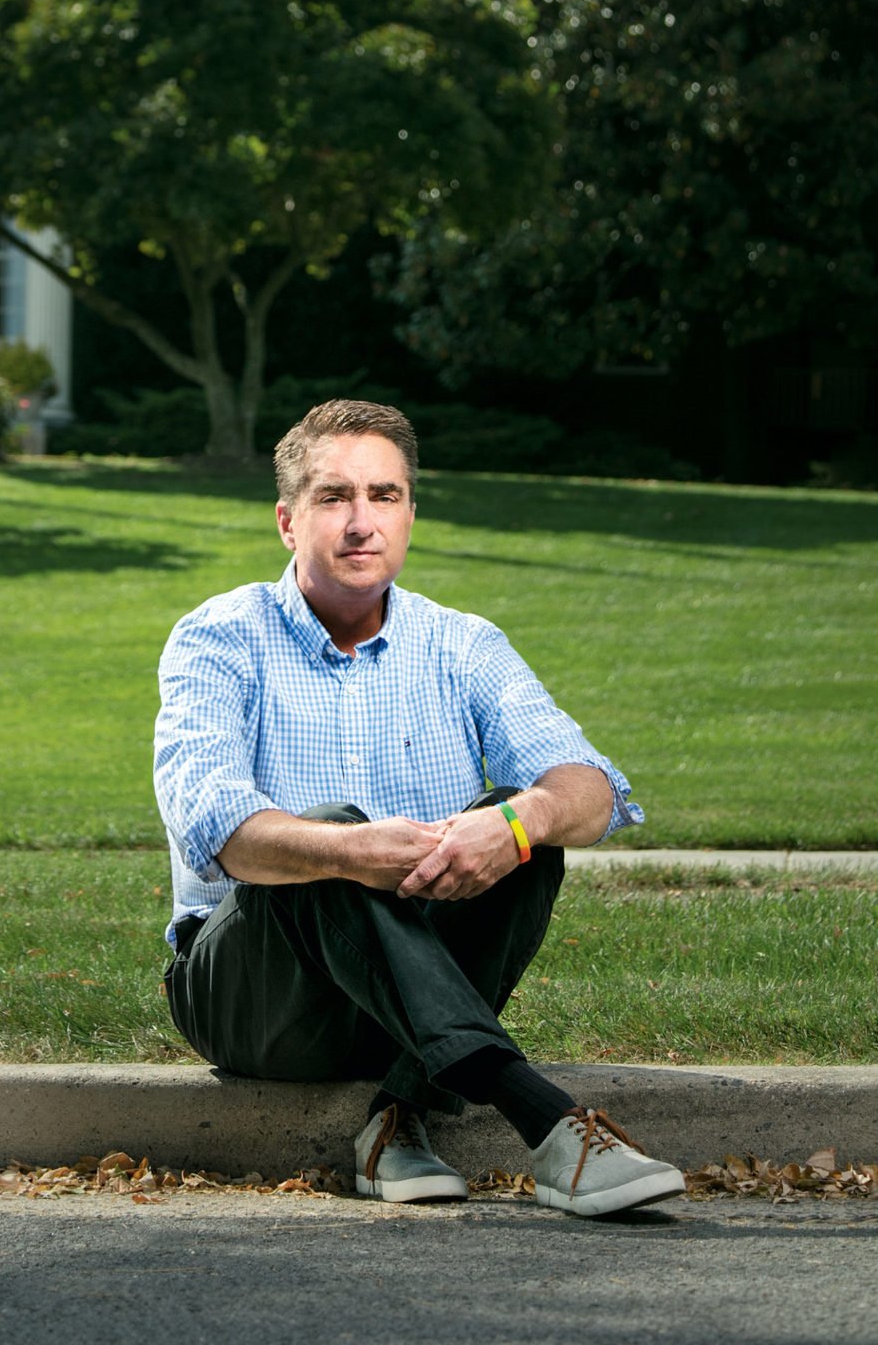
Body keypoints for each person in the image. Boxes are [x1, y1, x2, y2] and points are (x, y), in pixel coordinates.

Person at [154, 396, 685, 1218]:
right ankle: (543, 1118)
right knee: (324, 839)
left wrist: (515, 825)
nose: (361, 521)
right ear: (288, 523)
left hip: (408, 990)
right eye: (333, 498)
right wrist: (353, 851)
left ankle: (393, 1124)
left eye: (384, 496)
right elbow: (218, 830)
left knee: (524, 817)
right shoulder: (219, 638)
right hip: (255, 998)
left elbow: (590, 789)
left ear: (409, 515)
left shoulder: (462, 643)